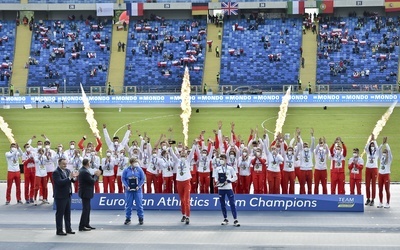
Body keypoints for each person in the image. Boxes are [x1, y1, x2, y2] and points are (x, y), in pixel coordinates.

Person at [170, 143, 196, 224]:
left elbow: (191, 153)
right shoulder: (177, 161)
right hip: (179, 182)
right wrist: (170, 147)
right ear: (179, 154)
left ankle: (188, 216)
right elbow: (172, 154)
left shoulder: (188, 161)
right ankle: (183, 215)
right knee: (182, 200)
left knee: (186, 200)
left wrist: (194, 145)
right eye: (181, 153)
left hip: (186, 182)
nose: (183, 154)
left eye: (184, 153)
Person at [53, 158, 78, 236]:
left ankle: (68, 229)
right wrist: (69, 178)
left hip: (68, 195)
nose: (65, 165)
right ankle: (59, 230)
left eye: (66, 163)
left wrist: (74, 177)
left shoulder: (67, 171)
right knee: (60, 214)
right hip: (60, 196)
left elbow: (72, 181)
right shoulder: (56, 172)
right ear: (59, 164)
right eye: (63, 164)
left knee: (67, 213)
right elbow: (60, 182)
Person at [213, 154, 240, 227]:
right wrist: (217, 181)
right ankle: (225, 218)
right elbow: (215, 177)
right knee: (222, 204)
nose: (221, 160)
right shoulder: (217, 168)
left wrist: (228, 181)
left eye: (222, 159)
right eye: (220, 159)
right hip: (221, 188)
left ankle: (235, 219)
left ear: (225, 159)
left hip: (228, 188)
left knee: (232, 203)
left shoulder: (230, 168)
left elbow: (235, 177)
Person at [78, 158, 101, 231]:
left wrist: (94, 175)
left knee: (87, 209)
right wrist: (96, 176)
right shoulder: (85, 172)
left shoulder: (83, 170)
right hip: (85, 192)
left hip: (85, 192)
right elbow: (92, 181)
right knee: (86, 209)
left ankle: (86, 223)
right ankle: (82, 226)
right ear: (88, 164)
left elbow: (89, 179)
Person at [122, 158, 145, 225]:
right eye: (135, 162)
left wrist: (139, 186)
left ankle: (141, 218)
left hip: (138, 190)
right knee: (128, 205)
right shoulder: (126, 170)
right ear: (131, 163)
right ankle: (128, 218)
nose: (136, 163)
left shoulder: (139, 169)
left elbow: (143, 178)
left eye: (136, 162)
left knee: (139, 205)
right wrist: (127, 186)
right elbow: (123, 179)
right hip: (129, 190)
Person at [364, 134, 379, 206]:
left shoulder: (376, 153)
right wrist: (370, 141)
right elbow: (365, 148)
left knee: (373, 185)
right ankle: (368, 198)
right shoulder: (368, 152)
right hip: (368, 168)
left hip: (374, 169)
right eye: (371, 145)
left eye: (373, 145)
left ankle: (373, 199)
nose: (372, 146)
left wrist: (374, 141)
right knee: (367, 185)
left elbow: (377, 148)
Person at [377, 137, 392, 208]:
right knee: (380, 189)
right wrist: (382, 144)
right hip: (380, 174)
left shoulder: (389, 159)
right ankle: (380, 202)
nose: (384, 153)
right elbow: (378, 150)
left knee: (387, 189)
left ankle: (388, 203)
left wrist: (386, 144)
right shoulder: (381, 158)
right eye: (383, 152)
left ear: (387, 154)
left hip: (386, 175)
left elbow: (389, 151)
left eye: (385, 152)